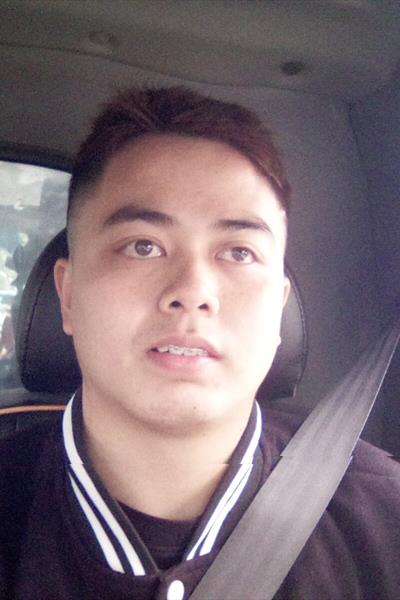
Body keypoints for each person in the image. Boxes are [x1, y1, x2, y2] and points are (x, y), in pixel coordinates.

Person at [0, 86, 399, 600]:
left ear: (278, 309)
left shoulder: (383, 520)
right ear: (69, 296)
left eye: (238, 252)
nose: (192, 291)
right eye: (143, 246)